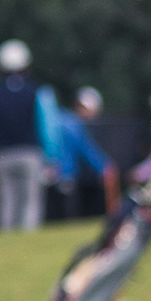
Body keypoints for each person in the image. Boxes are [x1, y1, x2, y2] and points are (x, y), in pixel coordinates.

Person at [0, 40, 60, 231]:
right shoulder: (38, 90)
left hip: (0, 154)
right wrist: (50, 155)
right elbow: (49, 127)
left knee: (5, 203)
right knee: (30, 203)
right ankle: (28, 242)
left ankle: (6, 241)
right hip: (30, 154)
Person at [50, 86, 121, 218]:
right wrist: (104, 166)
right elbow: (86, 150)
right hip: (65, 175)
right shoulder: (72, 124)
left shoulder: (59, 118)